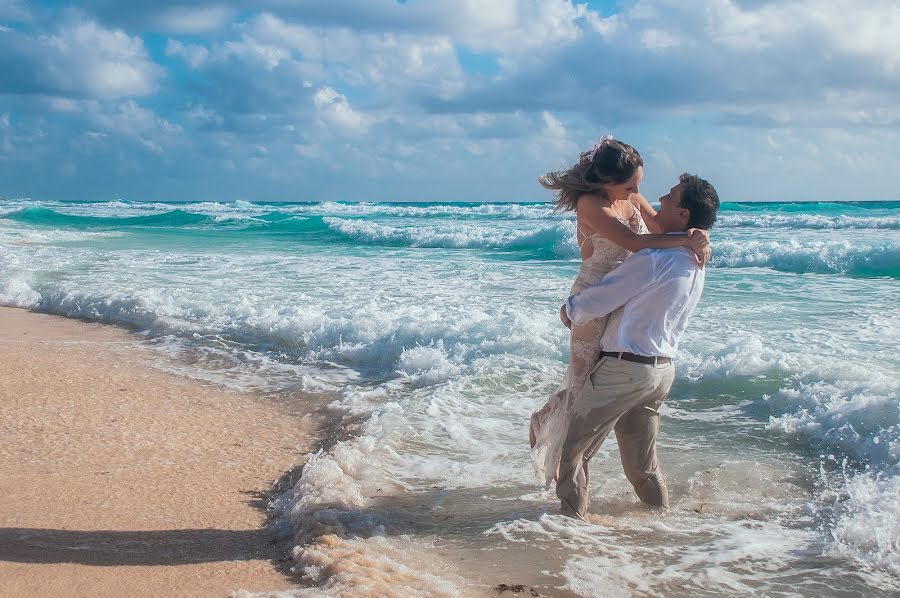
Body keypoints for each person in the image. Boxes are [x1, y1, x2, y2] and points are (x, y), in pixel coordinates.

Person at [530, 137, 710, 488]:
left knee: (593, 382)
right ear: (605, 183)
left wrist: (697, 231)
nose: (637, 192)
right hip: (594, 296)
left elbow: (661, 227)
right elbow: (637, 243)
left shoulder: (629, 195)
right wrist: (687, 238)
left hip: (625, 293)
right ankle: (557, 451)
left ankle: (549, 423)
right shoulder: (590, 203)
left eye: (639, 184)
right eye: (629, 186)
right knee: (583, 385)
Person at [555, 173, 720, 520]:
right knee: (642, 467)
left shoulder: (655, 258)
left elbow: (604, 296)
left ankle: (568, 532)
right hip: (661, 370)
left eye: (671, 198)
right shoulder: (695, 260)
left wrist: (570, 311)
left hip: (624, 368)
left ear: (684, 215)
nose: (661, 198)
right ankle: (661, 527)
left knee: (573, 453)